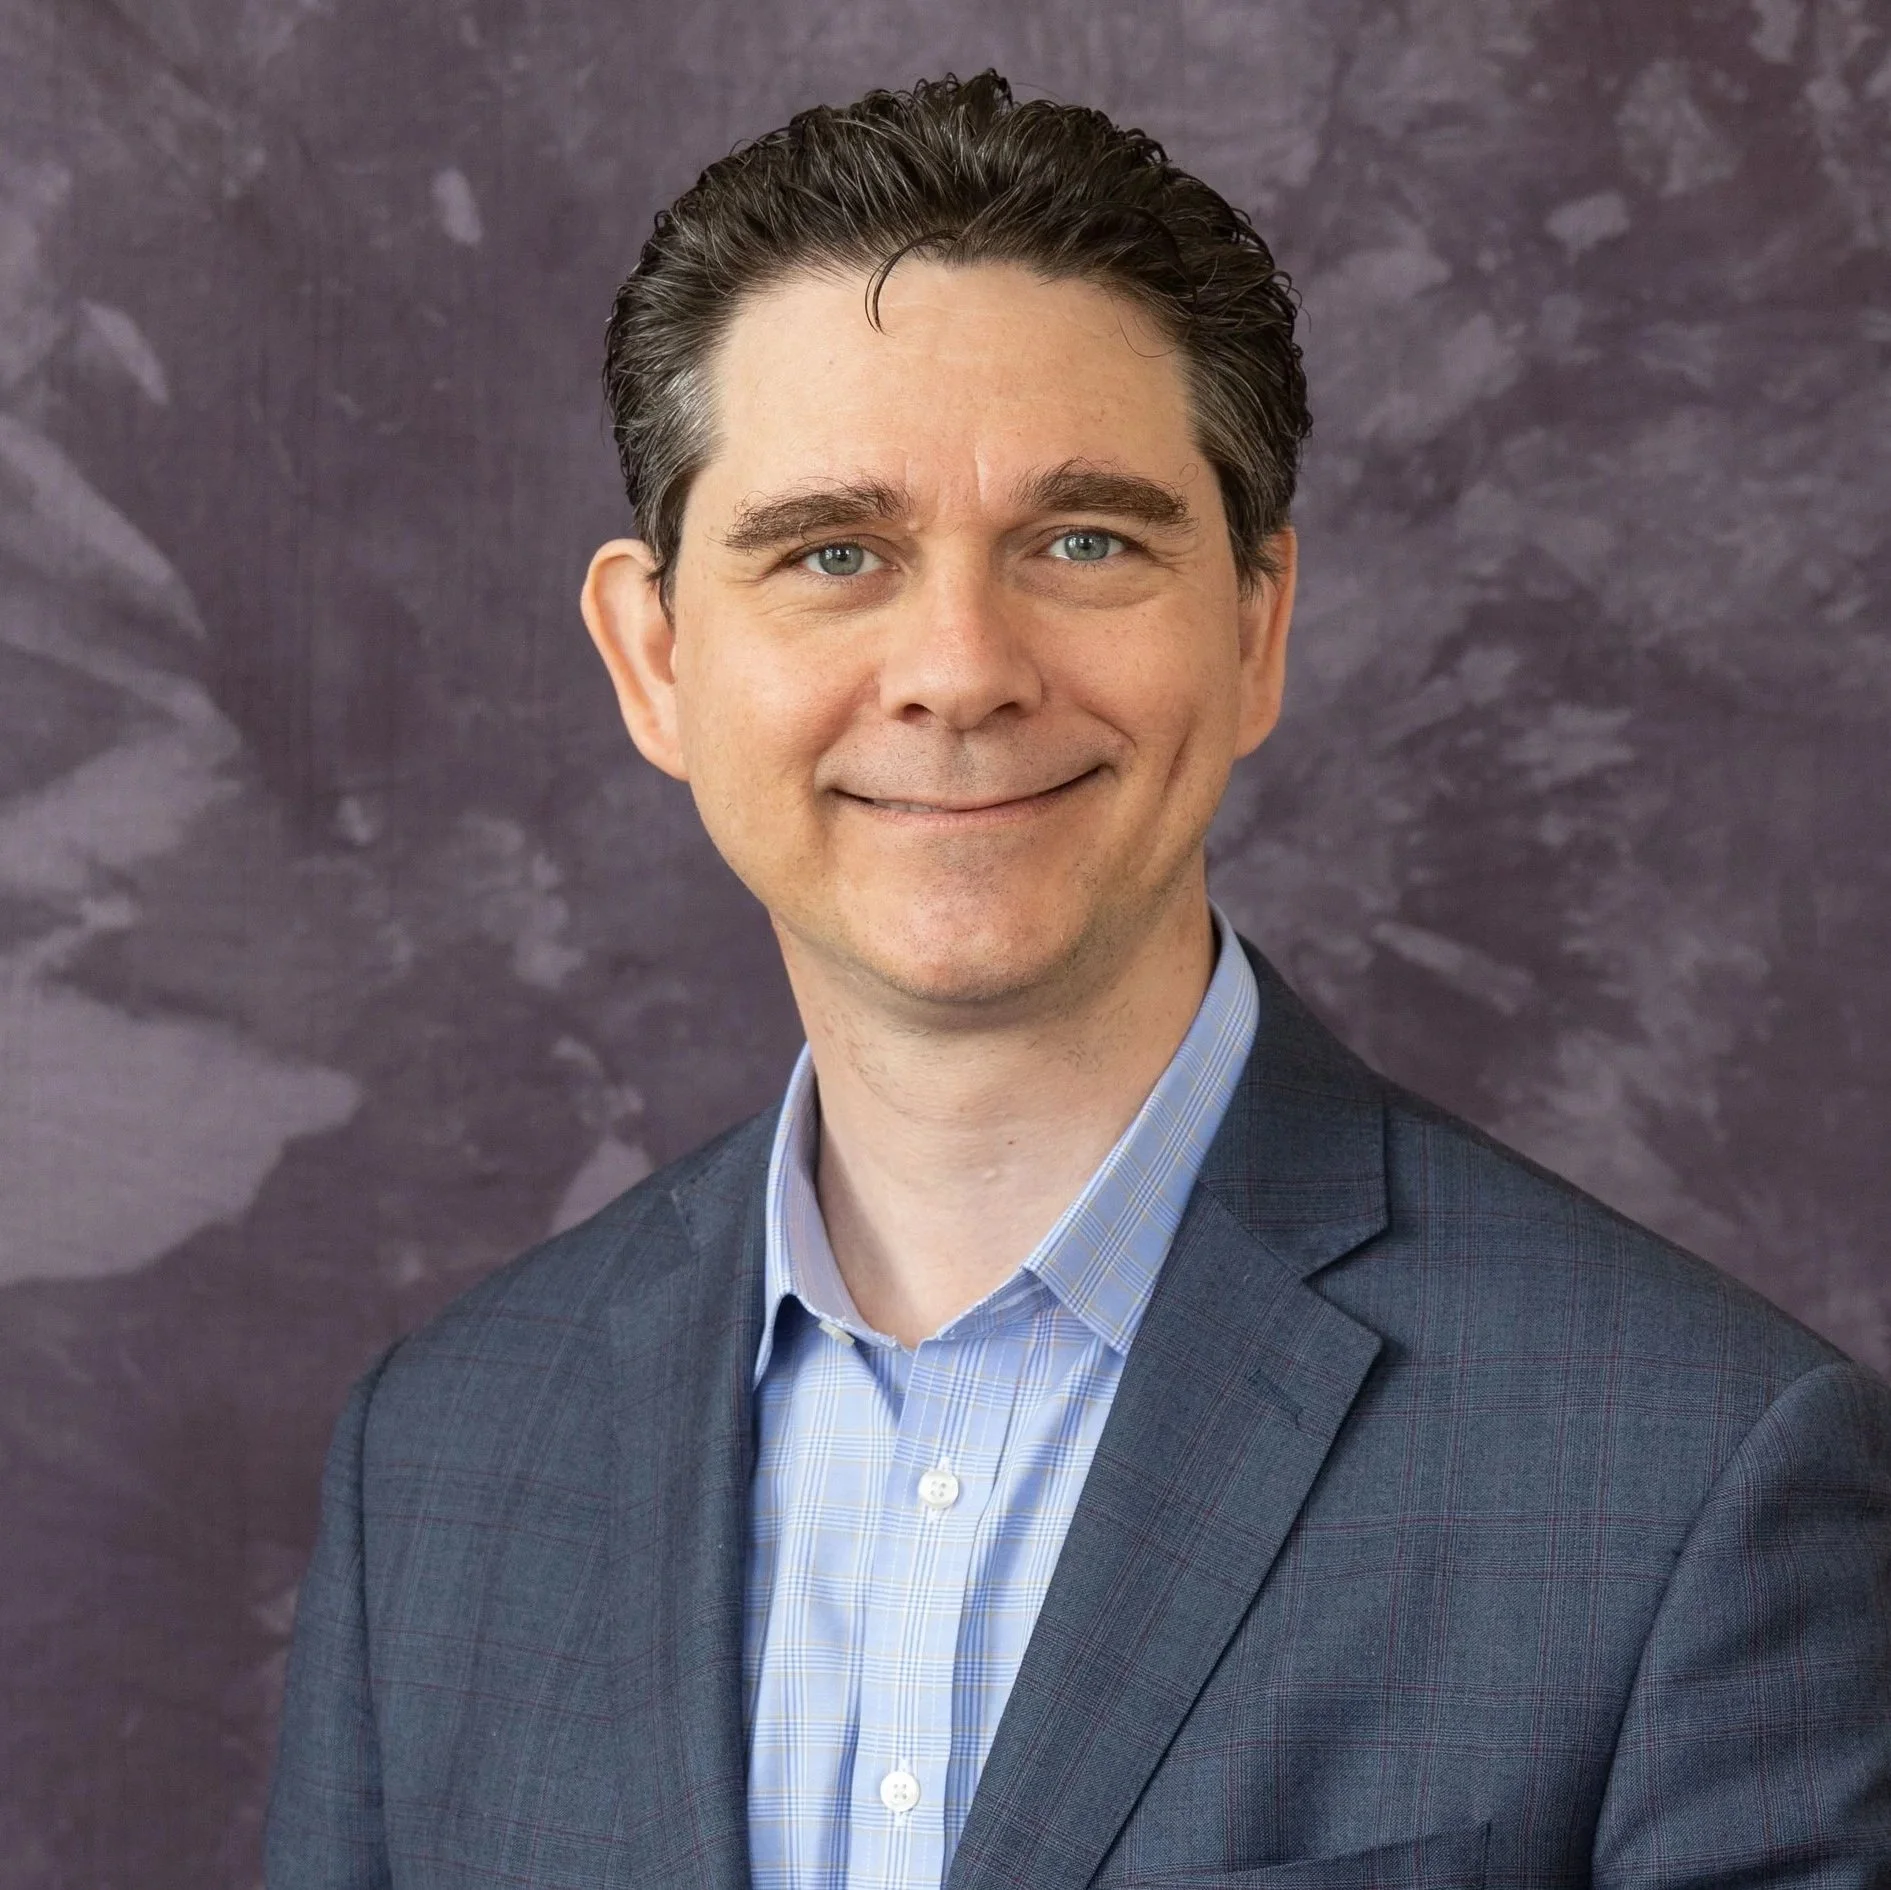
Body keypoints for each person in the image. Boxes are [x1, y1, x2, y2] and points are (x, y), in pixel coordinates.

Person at [265, 72, 1891, 1890]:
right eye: (833, 553)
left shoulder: (1692, 1475)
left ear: (1257, 628)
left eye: (1084, 542)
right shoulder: (442, 1454)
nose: (958, 667)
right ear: (654, 659)